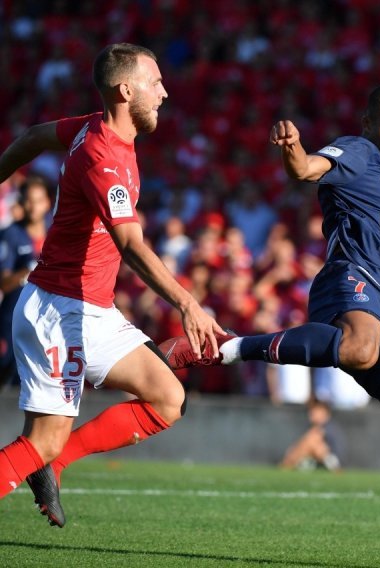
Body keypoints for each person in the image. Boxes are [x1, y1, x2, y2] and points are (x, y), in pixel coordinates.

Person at [160, 84, 380, 567]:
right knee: (358, 348)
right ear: (369, 123)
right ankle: (229, 346)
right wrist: (293, 150)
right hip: (347, 281)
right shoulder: (355, 152)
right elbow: (308, 169)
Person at [0, 43, 225, 528]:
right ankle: (47, 458)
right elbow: (131, 245)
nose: (164, 92)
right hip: (58, 312)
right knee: (41, 440)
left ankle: (54, 467)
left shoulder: (92, 128)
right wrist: (188, 302)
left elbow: (37, 135)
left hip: (91, 309)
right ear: (127, 90)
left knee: (168, 398)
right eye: (156, 82)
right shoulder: (104, 156)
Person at [0, 176, 51, 387]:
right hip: (13, 319)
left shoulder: (57, 233)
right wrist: (28, 271)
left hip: (46, 320)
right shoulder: (11, 234)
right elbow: (4, 283)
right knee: (5, 371)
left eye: (38, 200)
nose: (33, 207)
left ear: (47, 203)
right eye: (29, 200)